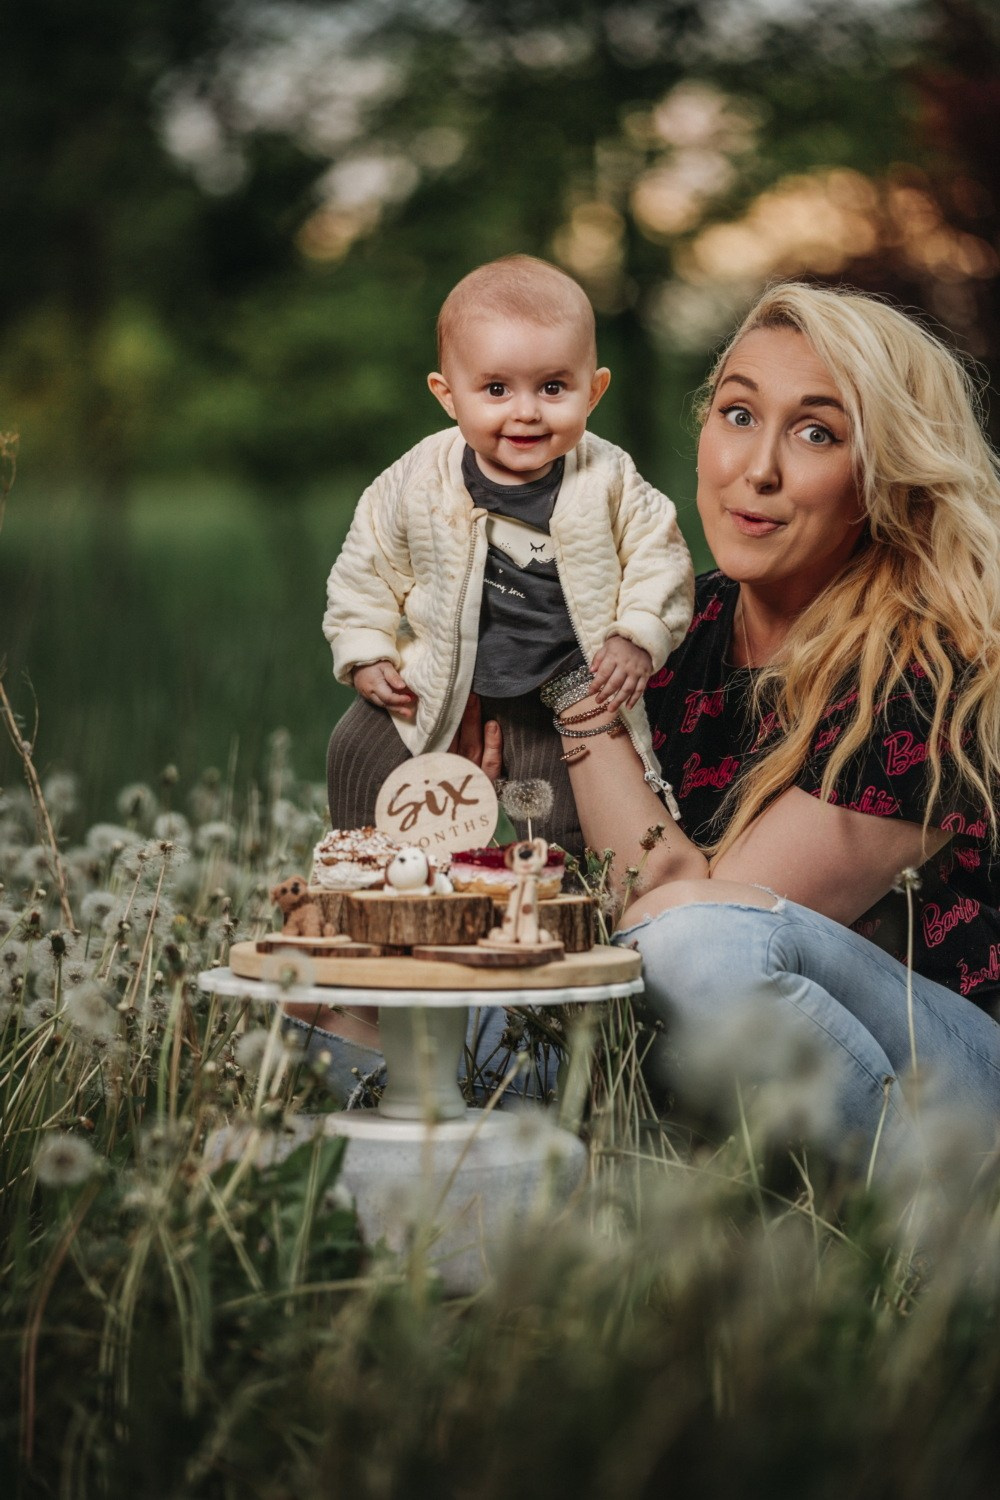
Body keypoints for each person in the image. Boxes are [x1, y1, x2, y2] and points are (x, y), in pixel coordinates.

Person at [514, 280, 1000, 1173]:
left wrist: (567, 674)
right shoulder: (675, 629)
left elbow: (685, 925)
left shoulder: (936, 661)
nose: (758, 469)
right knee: (427, 1002)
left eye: (816, 432)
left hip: (955, 1098)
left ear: (887, 474)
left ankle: (918, 1264)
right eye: (738, 414)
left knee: (694, 943)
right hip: (761, 1081)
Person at [322, 254, 693, 856]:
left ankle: (557, 913)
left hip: (561, 684)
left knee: (559, 821)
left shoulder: (609, 476)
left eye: (553, 387)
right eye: (496, 389)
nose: (526, 411)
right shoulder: (420, 478)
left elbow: (661, 557)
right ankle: (366, 878)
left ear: (593, 390)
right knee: (358, 749)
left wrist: (637, 632)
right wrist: (365, 650)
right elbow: (368, 564)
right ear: (448, 395)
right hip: (441, 675)